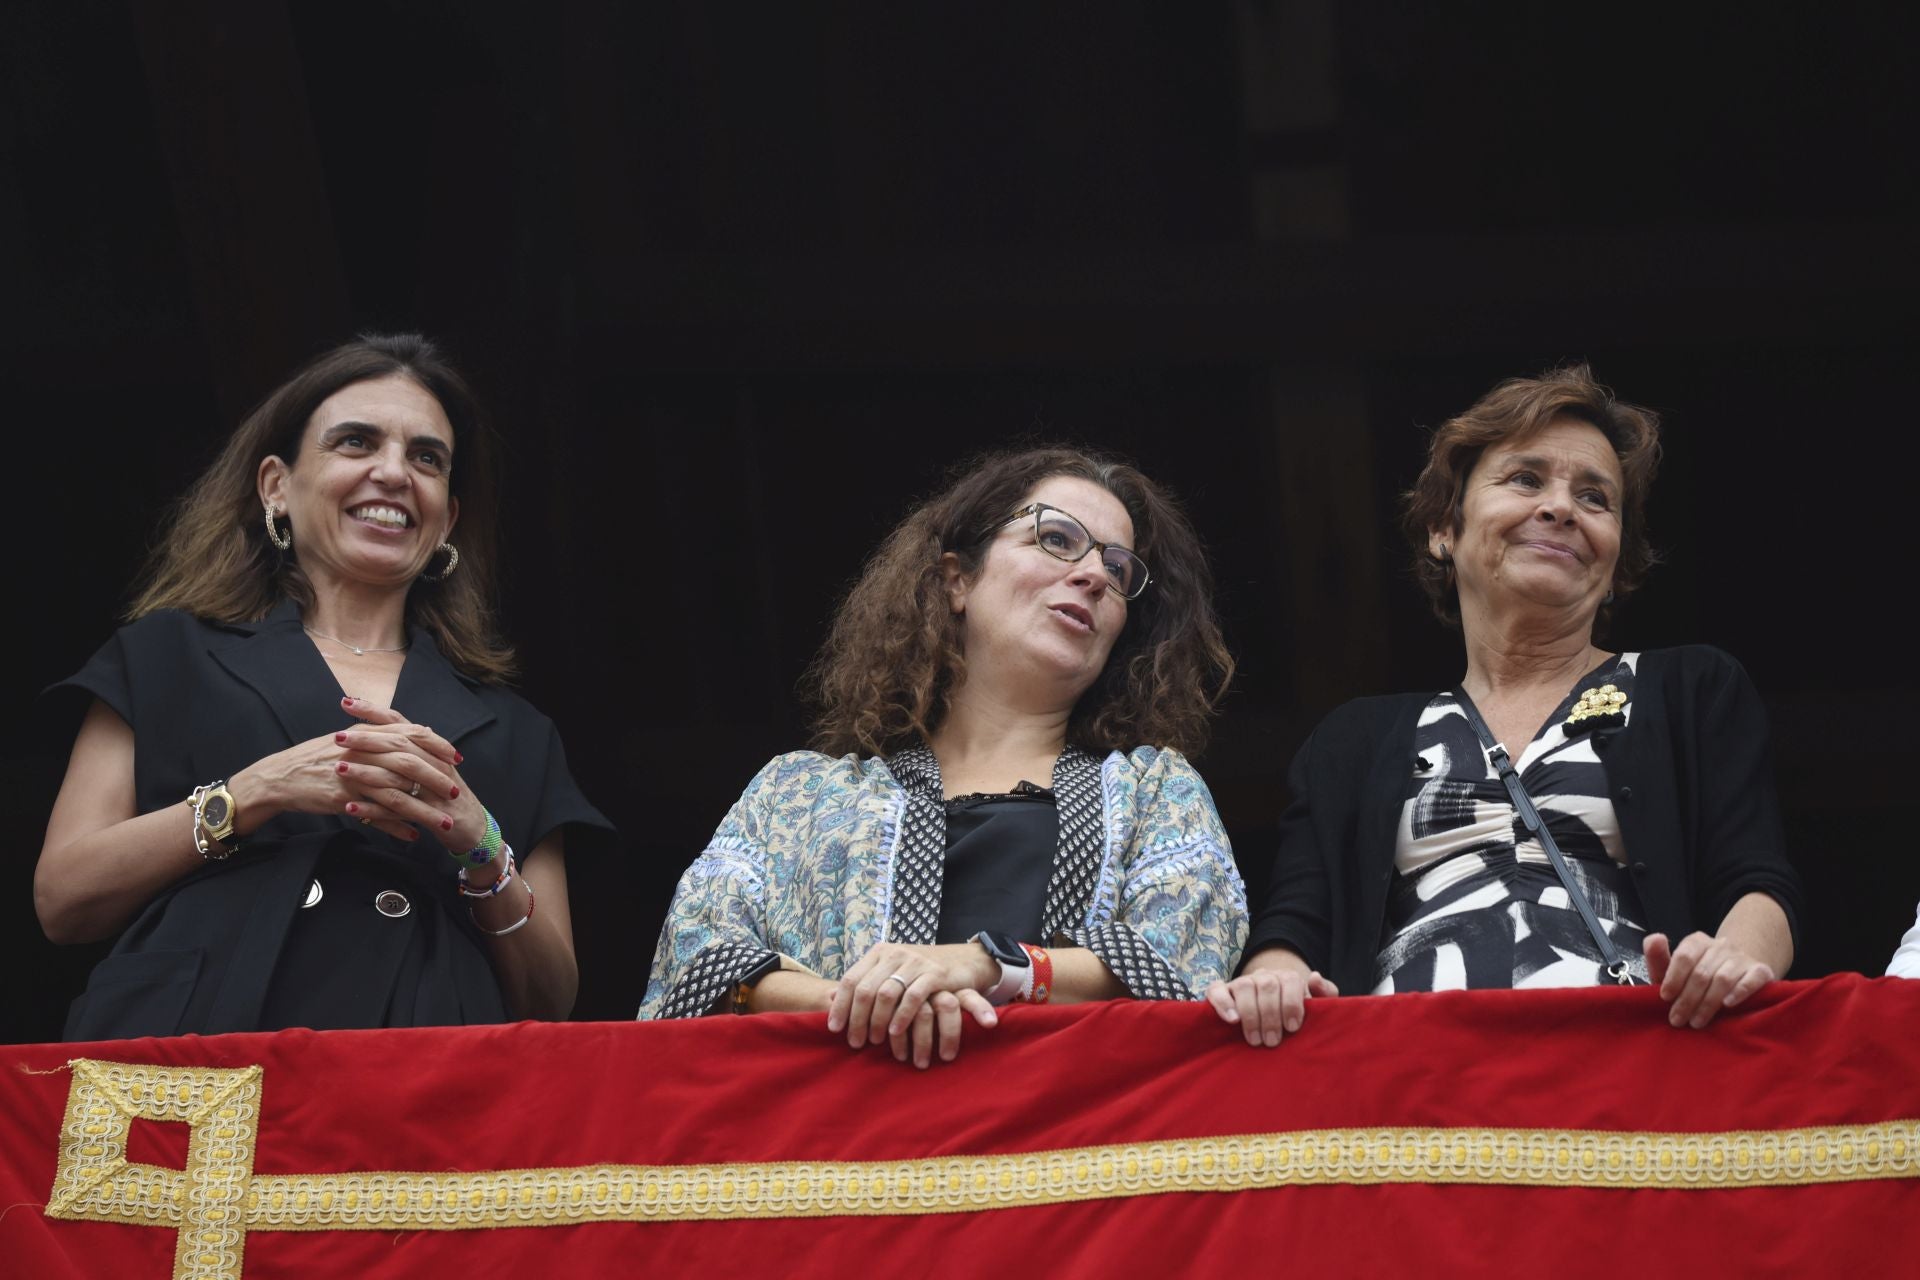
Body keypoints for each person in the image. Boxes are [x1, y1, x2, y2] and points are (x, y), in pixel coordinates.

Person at [36, 334, 611, 1039]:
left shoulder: (515, 728)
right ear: (276, 485)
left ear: (447, 518)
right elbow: (63, 899)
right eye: (356, 443)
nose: (395, 473)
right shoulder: (165, 656)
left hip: (426, 1095)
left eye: (426, 458)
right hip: (201, 1076)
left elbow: (551, 1000)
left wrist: (480, 844)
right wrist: (254, 792)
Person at [1212, 366, 1802, 1046]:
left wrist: (1735, 960)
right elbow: (1295, 924)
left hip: (1637, 1067)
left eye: (1595, 498)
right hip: (1408, 1085)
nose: (1561, 508)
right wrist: (1271, 975)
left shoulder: (1691, 688)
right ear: (1444, 527)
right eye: (1526, 479)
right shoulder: (1357, 736)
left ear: (1614, 565)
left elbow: (1758, 883)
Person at [641, 446, 1244, 1067]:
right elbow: (699, 959)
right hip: (838, 1150)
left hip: (1068, 1149)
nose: (1094, 574)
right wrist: (860, 1002)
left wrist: (986, 964)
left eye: (1118, 569)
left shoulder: (1156, 789)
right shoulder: (796, 792)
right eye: (1057, 538)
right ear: (958, 580)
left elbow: (1183, 962)